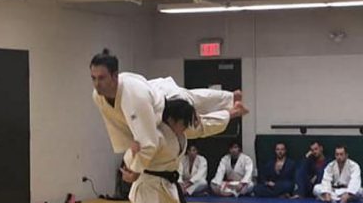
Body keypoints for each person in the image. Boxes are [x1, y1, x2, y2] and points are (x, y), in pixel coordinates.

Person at [90, 49, 248, 168]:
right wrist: (129, 144)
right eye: (94, 78)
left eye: (102, 78)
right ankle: (230, 97)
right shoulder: (98, 96)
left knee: (195, 127)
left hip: (168, 103)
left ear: (115, 75)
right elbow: (115, 124)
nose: (97, 83)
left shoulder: (132, 96)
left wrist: (135, 167)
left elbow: (148, 142)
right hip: (157, 95)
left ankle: (233, 111)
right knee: (193, 97)